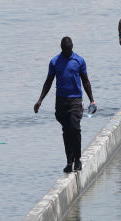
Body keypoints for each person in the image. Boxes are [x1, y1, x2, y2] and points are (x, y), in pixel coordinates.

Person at [33, 36, 95, 174]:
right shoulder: (55, 62)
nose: (68, 52)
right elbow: (48, 82)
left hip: (75, 100)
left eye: (69, 50)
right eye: (65, 50)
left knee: (75, 128)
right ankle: (69, 161)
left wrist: (92, 100)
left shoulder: (79, 60)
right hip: (61, 101)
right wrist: (40, 100)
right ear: (62, 49)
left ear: (72, 48)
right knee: (67, 131)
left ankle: (78, 159)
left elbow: (85, 81)